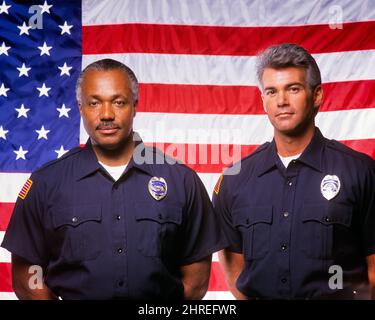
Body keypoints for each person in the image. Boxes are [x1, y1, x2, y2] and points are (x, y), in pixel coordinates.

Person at [1, 59, 227, 300]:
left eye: (118, 102)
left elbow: (196, 280)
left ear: (135, 106)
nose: (107, 114)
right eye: (94, 103)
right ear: (80, 107)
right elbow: (27, 275)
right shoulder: (46, 184)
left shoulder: (182, 181)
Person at [213, 43, 375, 300]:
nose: (282, 101)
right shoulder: (235, 180)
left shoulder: (361, 172)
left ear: (317, 95)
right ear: (263, 100)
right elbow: (236, 273)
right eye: (271, 91)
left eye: (293, 89)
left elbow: (372, 269)